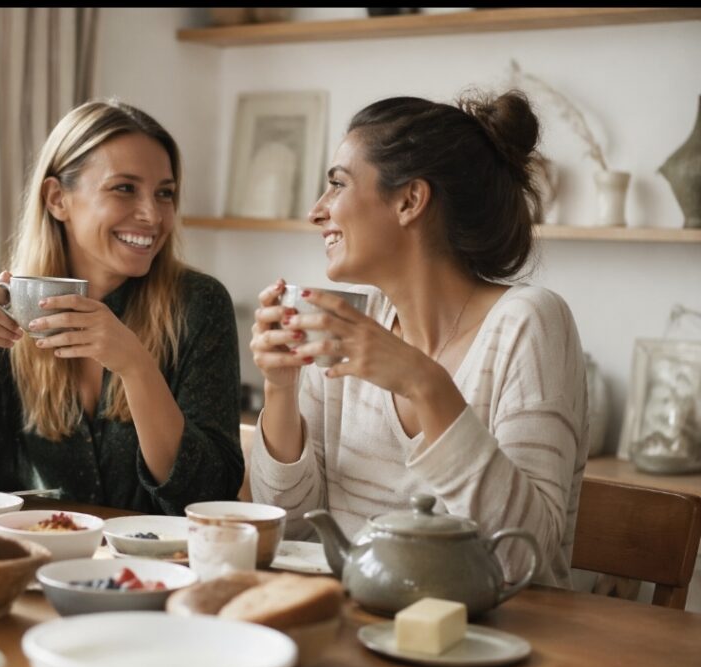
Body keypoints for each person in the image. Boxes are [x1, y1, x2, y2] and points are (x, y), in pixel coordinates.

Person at [249, 90, 589, 588]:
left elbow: (524, 561)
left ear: (410, 200)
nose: (317, 212)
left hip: (487, 643)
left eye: (337, 185)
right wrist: (280, 388)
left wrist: (423, 384)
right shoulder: (350, 328)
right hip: (356, 623)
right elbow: (292, 533)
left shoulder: (529, 322)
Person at [0, 99, 243, 514]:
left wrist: (136, 367)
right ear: (57, 198)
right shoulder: (10, 306)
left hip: (162, 574)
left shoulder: (200, 305)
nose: (152, 215)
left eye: (165, 194)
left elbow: (211, 497)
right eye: (124, 188)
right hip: (33, 567)